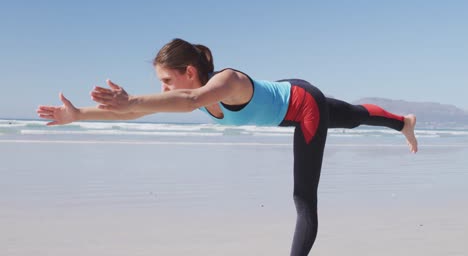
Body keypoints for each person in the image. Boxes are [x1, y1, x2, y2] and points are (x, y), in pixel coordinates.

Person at [37, 38, 418, 255]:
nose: (165, 89)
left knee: (304, 199)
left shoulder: (227, 81)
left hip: (302, 107)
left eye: (167, 80)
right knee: (351, 115)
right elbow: (132, 115)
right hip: (284, 99)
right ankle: (404, 122)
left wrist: (134, 100)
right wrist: (78, 115)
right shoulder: (194, 93)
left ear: (190, 72)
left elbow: (182, 102)